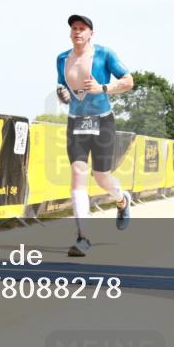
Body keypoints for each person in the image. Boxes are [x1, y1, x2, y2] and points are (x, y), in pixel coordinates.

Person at [56, 15, 134, 256]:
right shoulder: (61, 58)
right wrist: (62, 95)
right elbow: (61, 86)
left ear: (91, 33)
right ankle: (82, 237)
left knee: (101, 177)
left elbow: (129, 81)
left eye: (82, 29)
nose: (77, 32)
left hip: (102, 121)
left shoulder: (104, 54)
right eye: (74, 29)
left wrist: (103, 87)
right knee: (78, 173)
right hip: (76, 122)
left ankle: (122, 200)